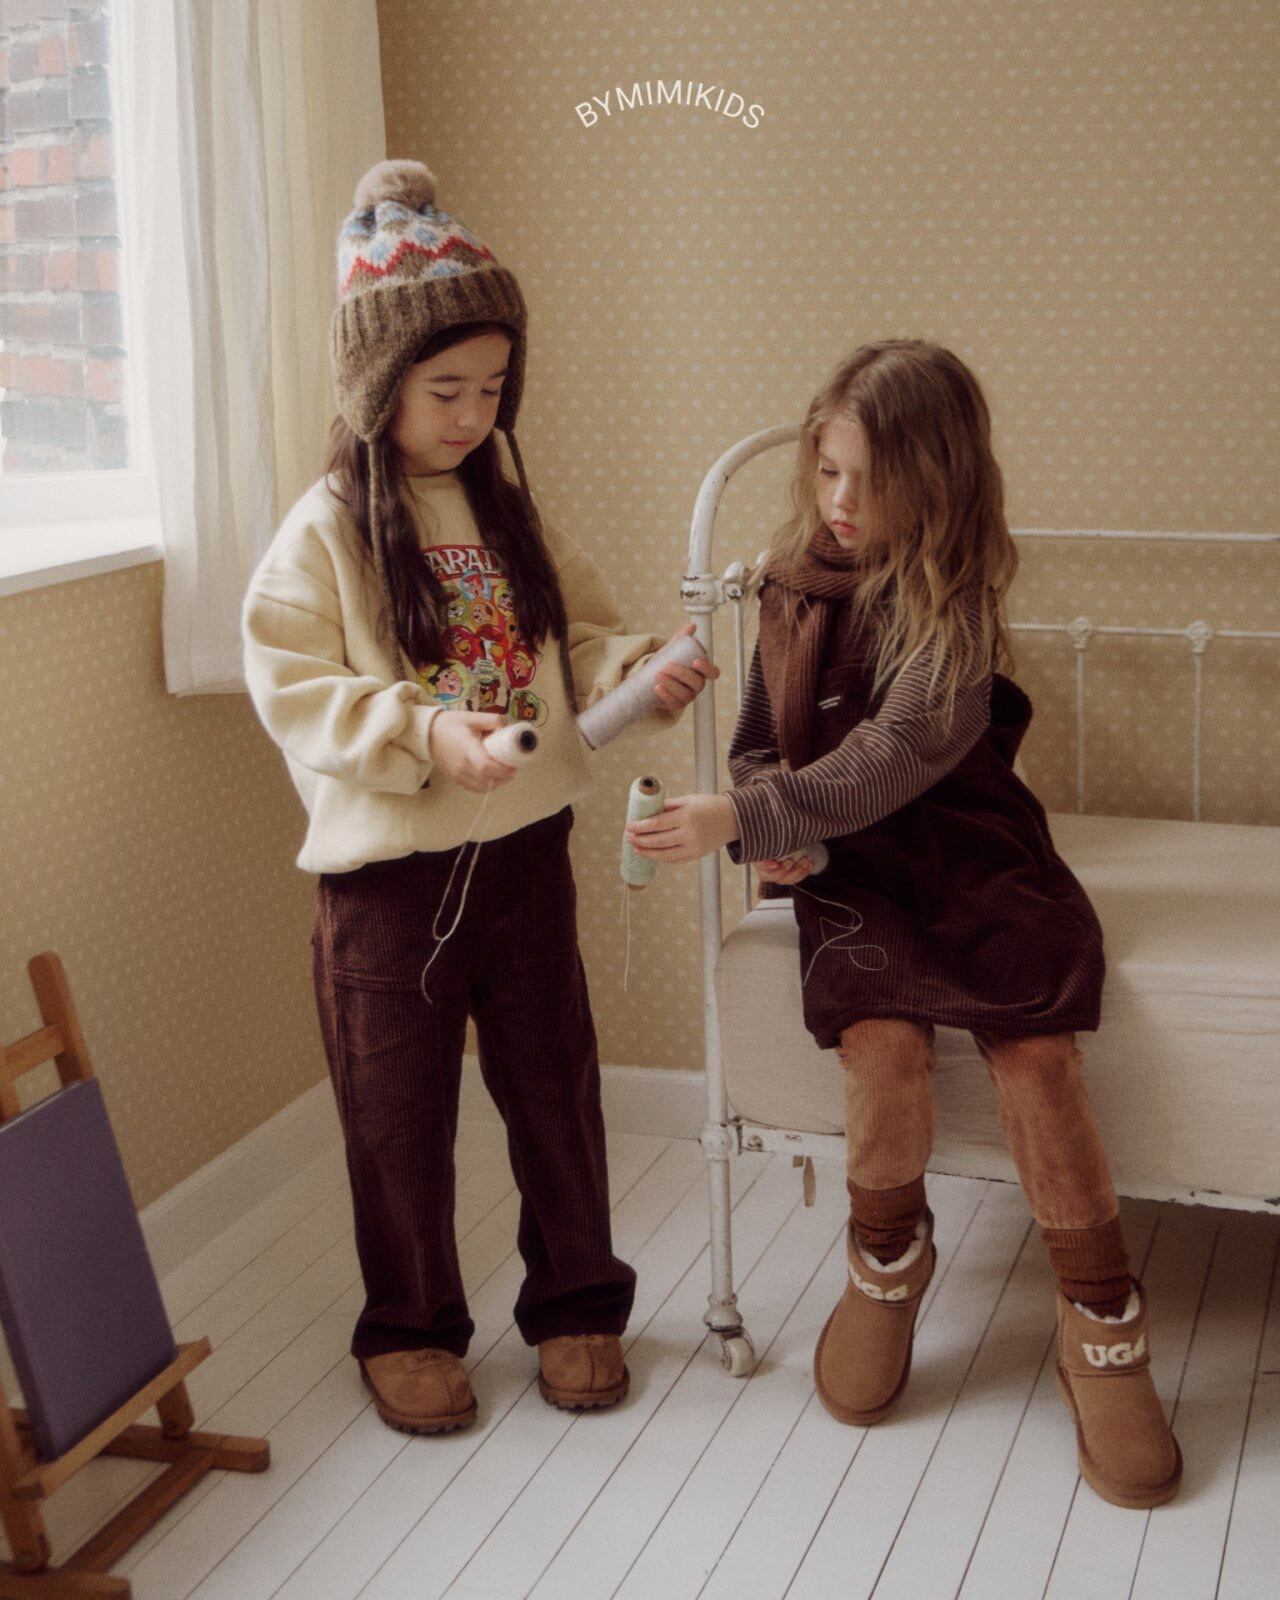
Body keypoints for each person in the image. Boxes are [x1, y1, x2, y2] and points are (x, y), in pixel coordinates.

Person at [625, 339, 1181, 1510]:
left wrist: (747, 813)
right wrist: (775, 830)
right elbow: (761, 745)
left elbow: (890, 755)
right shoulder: (786, 587)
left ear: (935, 484)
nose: (838, 501)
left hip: (967, 852)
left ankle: (1099, 1318)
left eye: (868, 482)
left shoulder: (953, 603)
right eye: (825, 470)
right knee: (877, 1041)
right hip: (857, 865)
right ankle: (885, 1260)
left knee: (1034, 1045)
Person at [242, 158, 717, 1435]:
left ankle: (576, 1303)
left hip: (523, 855)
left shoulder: (508, 512)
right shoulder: (324, 532)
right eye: (443, 388)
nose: (471, 412)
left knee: (554, 1088)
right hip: (385, 882)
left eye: (492, 387)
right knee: (395, 1116)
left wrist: (641, 671)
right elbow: (294, 687)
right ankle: (408, 1325)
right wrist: (423, 729)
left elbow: (584, 634)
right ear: (376, 385)